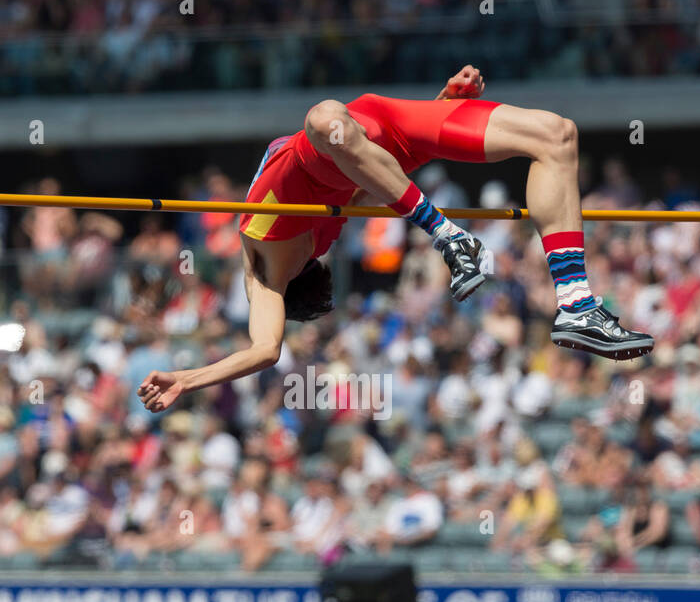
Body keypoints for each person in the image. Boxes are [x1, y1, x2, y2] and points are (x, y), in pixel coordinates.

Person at [139, 66, 652, 412]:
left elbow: (385, 167)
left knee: (558, 134)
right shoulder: (268, 277)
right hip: (341, 131)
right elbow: (265, 350)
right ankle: (448, 237)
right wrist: (187, 379)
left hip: (388, 120)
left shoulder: (269, 254)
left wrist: (443, 104)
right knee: (324, 119)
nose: (317, 254)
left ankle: (576, 304)